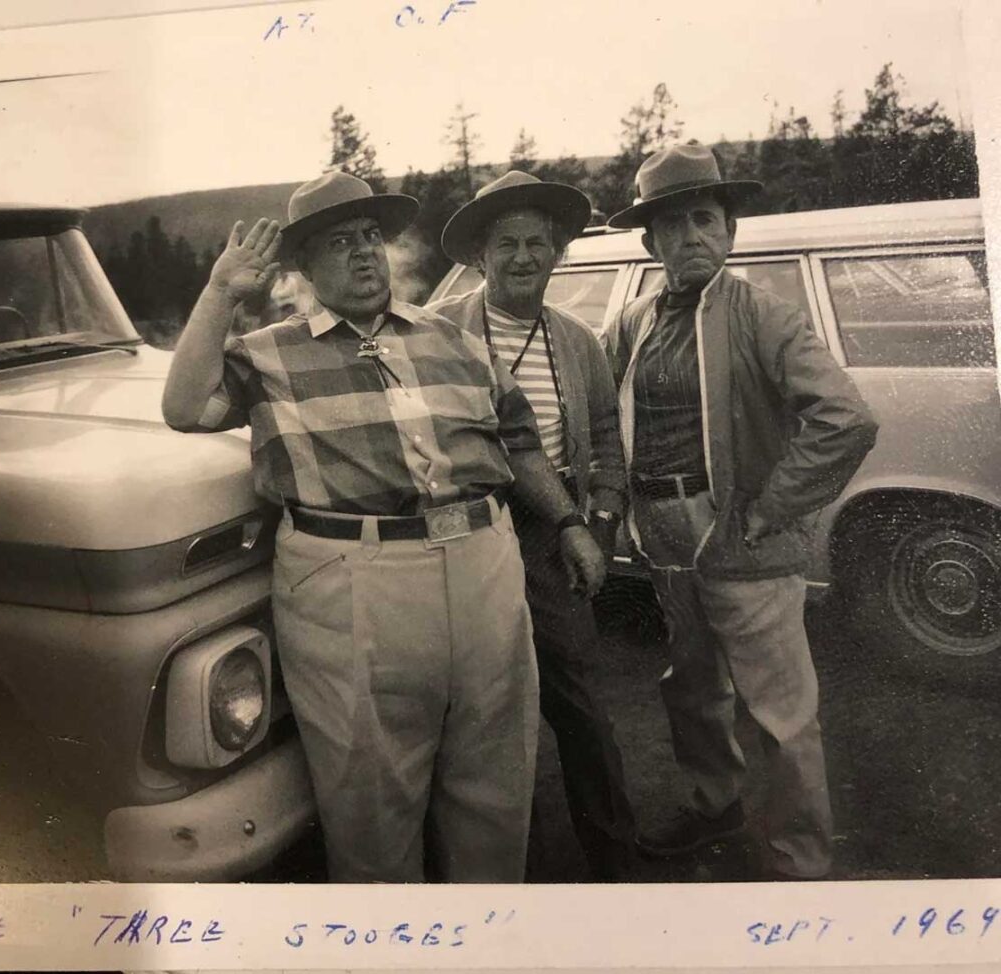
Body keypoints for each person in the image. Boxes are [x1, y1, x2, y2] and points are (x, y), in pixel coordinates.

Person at [161, 171, 606, 883]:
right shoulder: (267, 353)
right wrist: (221, 294)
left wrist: (570, 524)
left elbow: (518, 441)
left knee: (496, 785)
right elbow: (185, 408)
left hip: (483, 564)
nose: (365, 254)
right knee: (370, 800)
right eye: (340, 243)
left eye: (372, 237)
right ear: (303, 268)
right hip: (355, 581)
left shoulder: (453, 339)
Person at [602, 144, 878, 880]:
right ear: (649, 241)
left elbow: (846, 419)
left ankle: (797, 862)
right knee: (690, 686)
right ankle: (713, 800)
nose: (690, 237)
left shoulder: (762, 315)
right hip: (663, 535)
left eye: (704, 220)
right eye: (672, 224)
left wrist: (768, 509)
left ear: (729, 232)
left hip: (743, 535)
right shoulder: (632, 323)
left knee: (779, 713)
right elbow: (600, 413)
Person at [429, 170, 638, 881]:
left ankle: (617, 861)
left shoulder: (579, 342)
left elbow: (608, 442)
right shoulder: (436, 332)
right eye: (508, 245)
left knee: (580, 703)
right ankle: (504, 870)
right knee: (477, 713)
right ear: (480, 257)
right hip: (466, 534)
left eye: (539, 245)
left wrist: (598, 528)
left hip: (558, 533)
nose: (524, 258)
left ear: (557, 254)